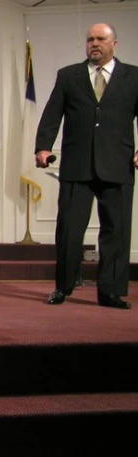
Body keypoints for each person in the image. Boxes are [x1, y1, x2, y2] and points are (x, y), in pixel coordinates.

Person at [35, 23, 138, 310]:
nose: (94, 44)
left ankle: (111, 292)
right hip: (77, 165)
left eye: (101, 39)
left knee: (115, 232)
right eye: (90, 39)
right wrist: (43, 146)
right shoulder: (69, 76)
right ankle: (63, 287)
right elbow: (52, 113)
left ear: (114, 43)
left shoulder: (133, 76)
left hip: (117, 164)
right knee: (69, 230)